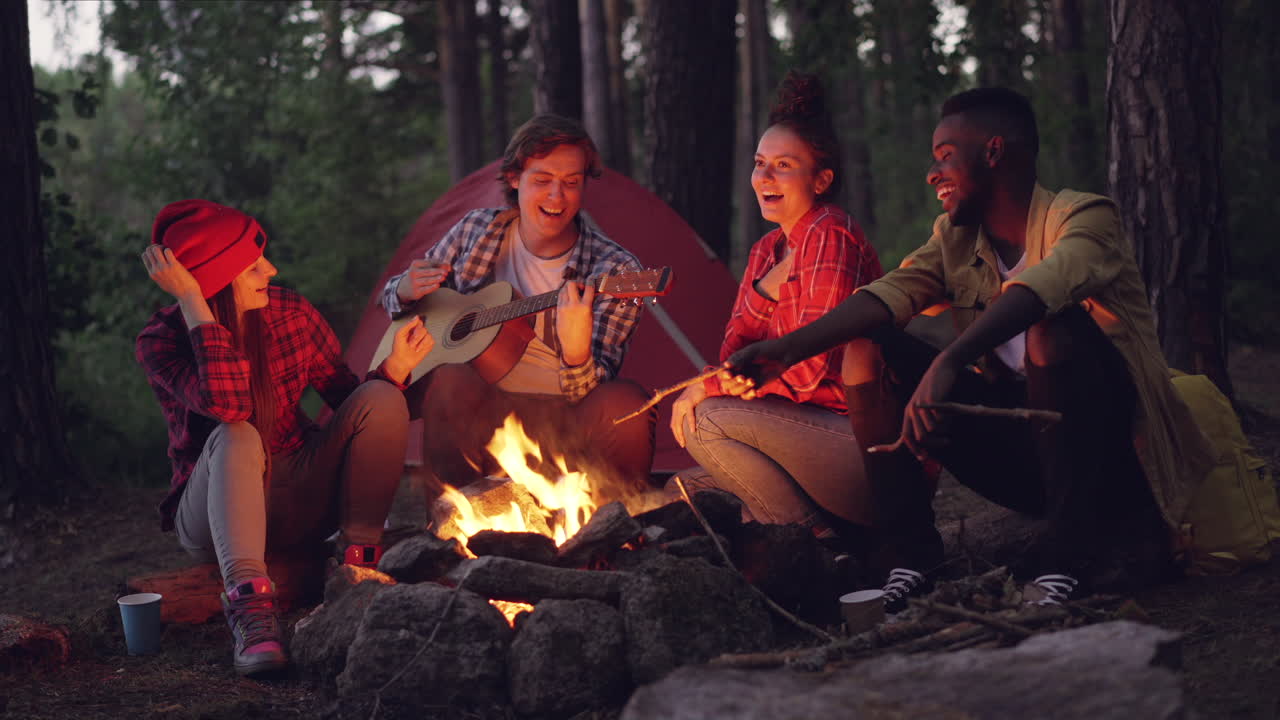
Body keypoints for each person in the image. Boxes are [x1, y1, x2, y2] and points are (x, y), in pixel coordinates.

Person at [725, 87, 1214, 610]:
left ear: (994, 152)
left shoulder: (1086, 218)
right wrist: (788, 349)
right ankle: (910, 556)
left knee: (1050, 331)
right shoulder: (955, 240)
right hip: (1024, 457)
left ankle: (1068, 559)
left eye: (945, 157)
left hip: (1109, 459)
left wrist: (951, 358)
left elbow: (1042, 289)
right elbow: (892, 292)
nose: (932, 174)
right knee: (867, 347)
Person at [137, 199, 433, 676]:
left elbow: (352, 403)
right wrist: (194, 303)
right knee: (237, 434)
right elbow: (230, 405)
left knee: (381, 396)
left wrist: (394, 370)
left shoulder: (289, 312)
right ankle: (251, 612)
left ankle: (358, 569)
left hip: (299, 494)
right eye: (253, 265)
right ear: (216, 281)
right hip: (215, 517)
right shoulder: (162, 340)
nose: (270, 271)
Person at [380, 114, 655, 504]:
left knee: (626, 405)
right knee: (450, 379)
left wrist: (577, 353)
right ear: (514, 178)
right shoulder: (475, 231)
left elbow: (590, 392)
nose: (557, 197)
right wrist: (404, 291)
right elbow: (398, 301)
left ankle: (614, 527)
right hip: (481, 417)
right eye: (542, 180)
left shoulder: (617, 271)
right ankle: (448, 525)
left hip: (565, 418)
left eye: (571, 183)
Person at [667, 71, 883, 550]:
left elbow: (808, 371)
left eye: (783, 165)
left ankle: (819, 546)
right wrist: (767, 288)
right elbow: (734, 352)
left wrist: (706, 387)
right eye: (760, 163)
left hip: (862, 447)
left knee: (706, 420)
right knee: (679, 493)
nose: (764, 177)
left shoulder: (831, 233)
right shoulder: (768, 250)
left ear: (821, 180)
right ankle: (780, 530)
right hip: (794, 437)